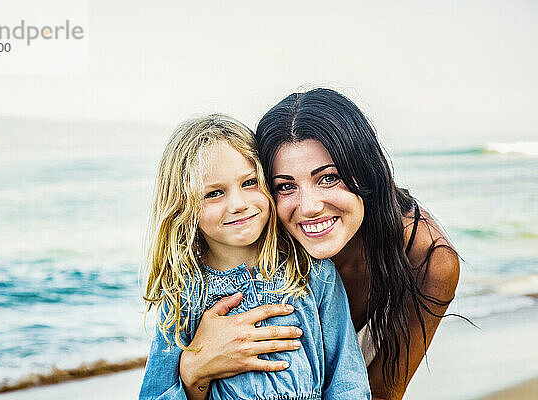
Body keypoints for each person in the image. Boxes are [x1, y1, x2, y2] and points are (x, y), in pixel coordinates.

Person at [178, 90, 460, 400]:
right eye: (285, 185)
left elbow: (381, 393)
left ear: (366, 170)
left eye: (328, 178)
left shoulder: (427, 257)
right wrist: (195, 370)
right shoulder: (260, 230)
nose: (309, 206)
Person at [139, 114, 372, 400]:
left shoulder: (311, 273)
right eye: (214, 193)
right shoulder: (183, 297)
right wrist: (193, 376)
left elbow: (347, 380)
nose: (238, 204)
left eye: (249, 182)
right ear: (183, 207)